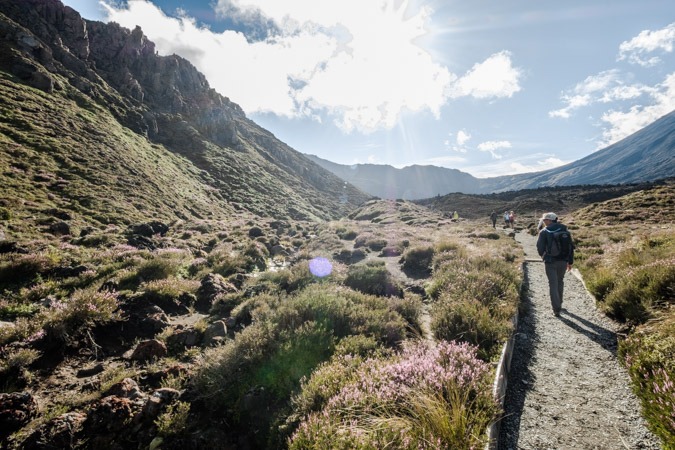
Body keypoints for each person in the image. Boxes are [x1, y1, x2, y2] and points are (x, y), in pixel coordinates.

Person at [536, 212, 574, 317]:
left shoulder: (544, 231)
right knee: (560, 281)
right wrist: (570, 261)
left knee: (552, 283)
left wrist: (543, 256)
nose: (543, 222)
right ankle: (559, 303)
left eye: (544, 220)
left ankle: (556, 309)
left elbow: (540, 247)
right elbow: (571, 247)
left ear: (549, 220)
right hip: (563, 261)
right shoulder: (565, 230)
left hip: (550, 261)